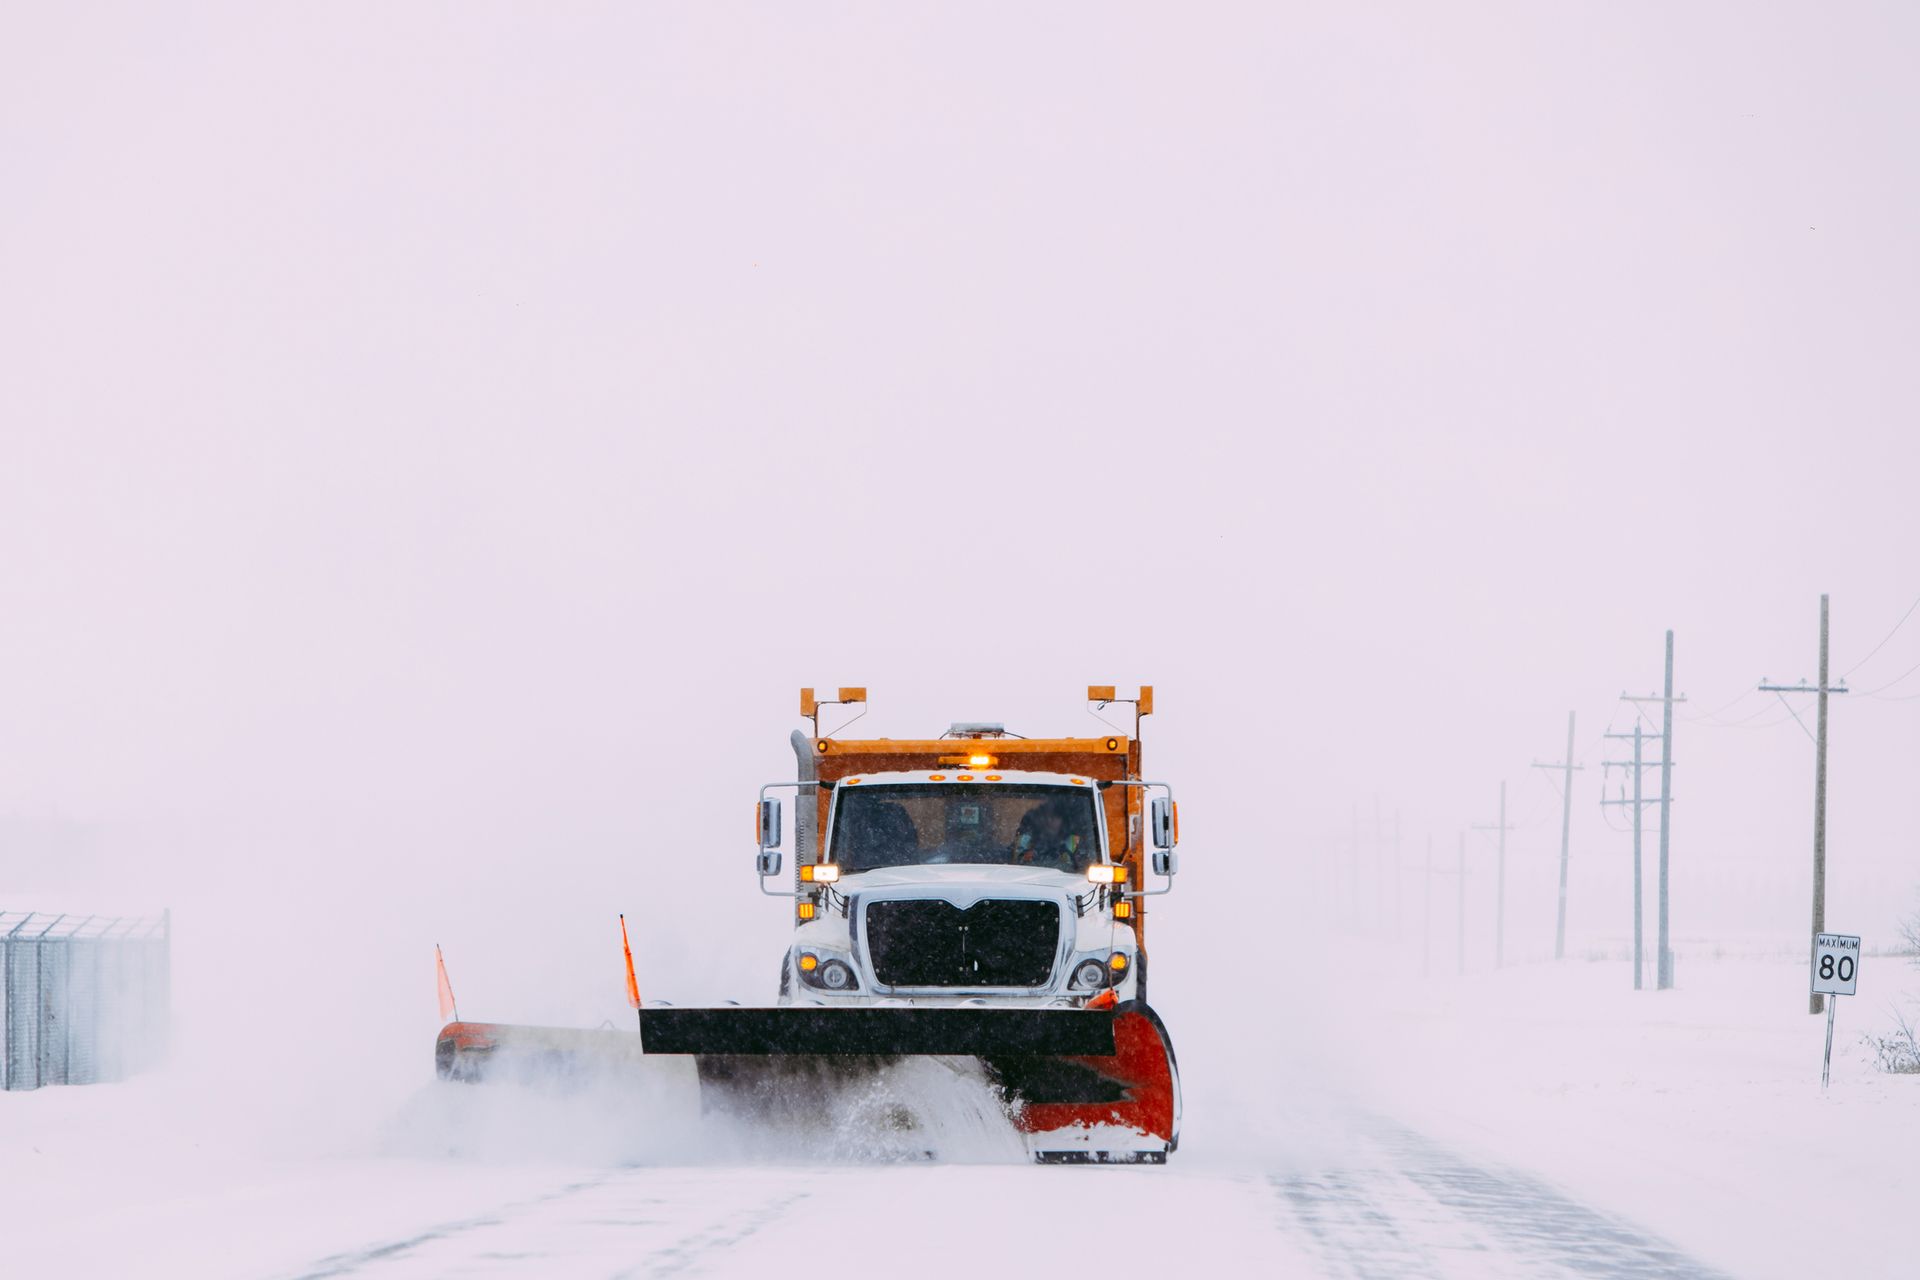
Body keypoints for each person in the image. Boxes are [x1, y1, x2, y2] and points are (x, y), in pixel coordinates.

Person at [1011, 797, 1086, 870]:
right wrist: (1025, 857)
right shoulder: (1026, 839)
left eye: (1054, 817)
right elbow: (1013, 863)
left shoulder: (1073, 842)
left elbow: (1083, 868)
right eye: (1046, 817)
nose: (1049, 821)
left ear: (1063, 820)